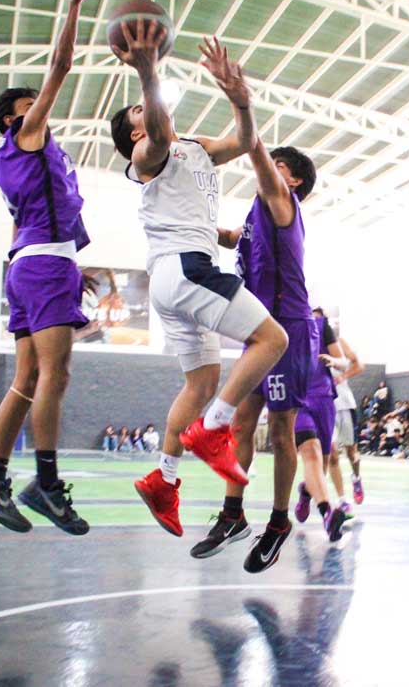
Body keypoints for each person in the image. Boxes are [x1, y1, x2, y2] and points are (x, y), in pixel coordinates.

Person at [110, 28, 289, 544]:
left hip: (172, 279)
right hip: (185, 269)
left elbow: (244, 141)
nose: (146, 114)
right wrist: (147, 69)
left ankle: (163, 479)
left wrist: (241, 101)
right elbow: (158, 135)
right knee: (273, 340)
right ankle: (215, 428)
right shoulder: (146, 157)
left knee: (201, 382)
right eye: (137, 115)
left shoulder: (194, 148)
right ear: (133, 136)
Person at [0, 0, 96, 537]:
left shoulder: (9, 163)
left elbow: (24, 227)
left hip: (30, 264)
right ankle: (44, 481)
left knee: (25, 379)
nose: (41, 113)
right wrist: (73, 6)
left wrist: (65, 263)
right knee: (54, 377)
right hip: (42, 267)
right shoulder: (27, 136)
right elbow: (61, 66)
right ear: (14, 120)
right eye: (29, 109)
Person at [190, 128, 321, 572]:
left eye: (278, 167)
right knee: (242, 424)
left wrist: (247, 135)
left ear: (294, 181)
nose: (267, 170)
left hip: (288, 328)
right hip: (258, 328)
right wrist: (189, 227)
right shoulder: (255, 215)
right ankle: (233, 514)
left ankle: (279, 522)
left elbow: (263, 168)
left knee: (281, 433)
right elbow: (232, 238)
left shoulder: (284, 205)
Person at [281, 310, 347, 543]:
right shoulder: (279, 324)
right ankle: (327, 514)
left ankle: (306, 491)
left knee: (323, 465)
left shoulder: (322, 325)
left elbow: (343, 362)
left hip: (324, 399)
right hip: (298, 400)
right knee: (311, 453)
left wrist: (334, 361)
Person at [326, 331, 366, 506]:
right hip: (325, 405)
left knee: (351, 452)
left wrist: (343, 376)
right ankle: (342, 498)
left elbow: (360, 365)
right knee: (332, 454)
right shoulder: (309, 342)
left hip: (345, 405)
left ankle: (356, 478)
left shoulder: (339, 342)